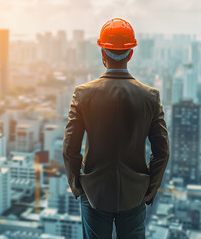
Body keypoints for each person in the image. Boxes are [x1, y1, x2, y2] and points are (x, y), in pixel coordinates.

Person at [62, 18, 170, 239]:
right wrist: (149, 190)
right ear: (131, 54)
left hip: (94, 193)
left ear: (103, 53)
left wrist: (78, 187)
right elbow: (162, 152)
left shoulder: (83, 94)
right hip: (135, 194)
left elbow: (70, 149)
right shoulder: (150, 96)